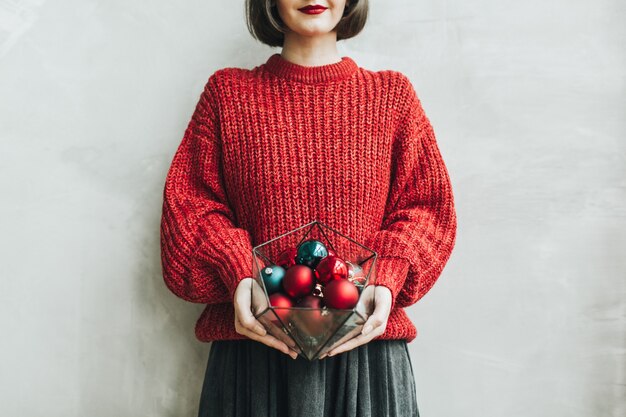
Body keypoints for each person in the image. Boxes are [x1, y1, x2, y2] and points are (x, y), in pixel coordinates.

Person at [159, 0, 457, 416]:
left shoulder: (392, 97)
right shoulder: (226, 96)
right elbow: (189, 210)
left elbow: (427, 209)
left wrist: (385, 276)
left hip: (366, 361)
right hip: (254, 360)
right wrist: (239, 271)